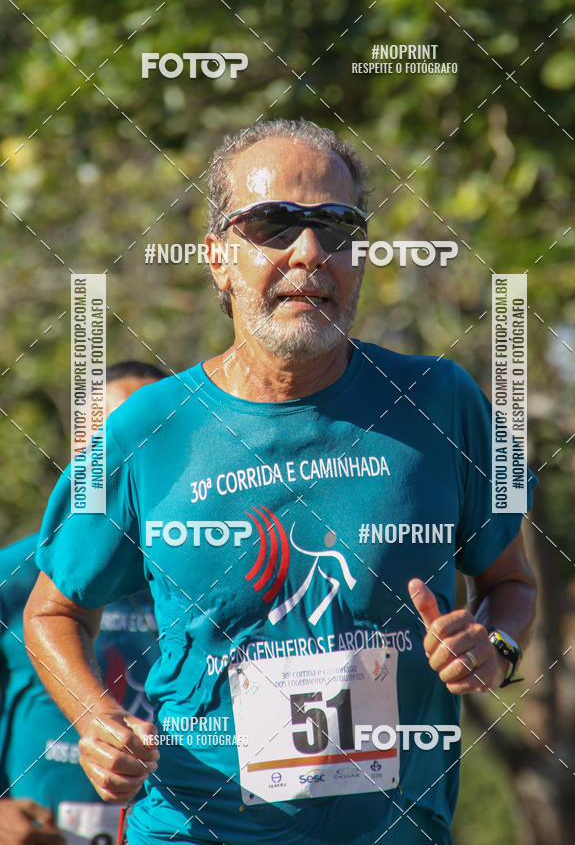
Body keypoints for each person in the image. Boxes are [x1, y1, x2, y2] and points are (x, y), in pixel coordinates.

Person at [24, 120, 537, 845]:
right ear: (217, 260)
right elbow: (52, 612)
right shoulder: (147, 428)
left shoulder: (439, 400)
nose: (309, 253)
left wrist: (495, 644)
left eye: (337, 227)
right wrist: (95, 720)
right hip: (193, 830)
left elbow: (511, 582)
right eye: (272, 224)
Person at [0, 362, 166, 844]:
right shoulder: (15, 578)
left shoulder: (212, 577)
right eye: (104, 439)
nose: (123, 458)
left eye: (149, 439)